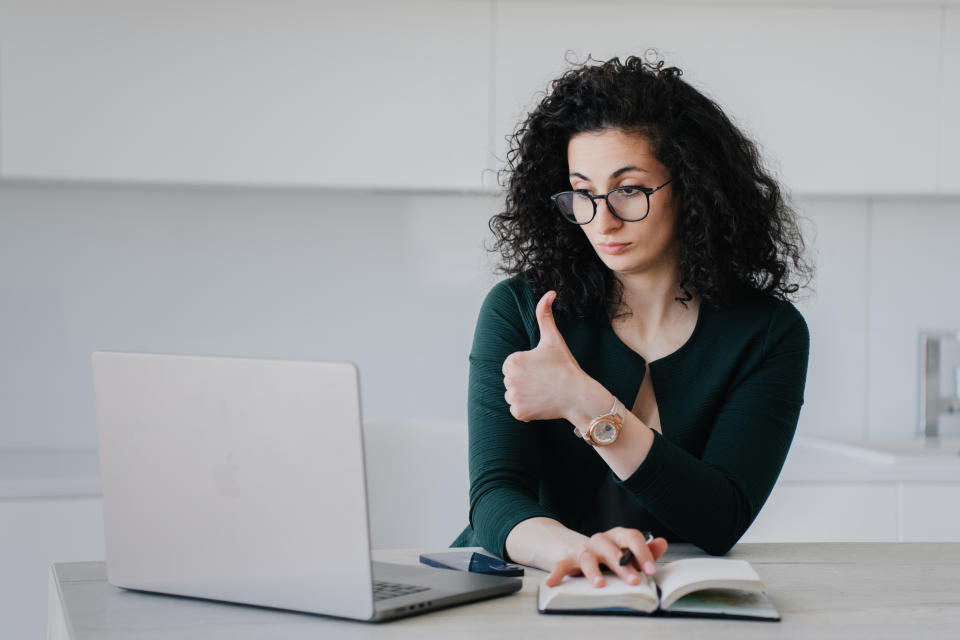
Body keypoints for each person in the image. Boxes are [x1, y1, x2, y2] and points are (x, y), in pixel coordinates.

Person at [451, 53, 812, 590]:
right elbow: (495, 498)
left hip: (666, 599)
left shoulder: (767, 332)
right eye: (584, 193)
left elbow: (720, 519)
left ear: (690, 188)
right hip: (521, 584)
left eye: (630, 189)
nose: (603, 218)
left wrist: (586, 403)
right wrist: (579, 552)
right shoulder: (520, 309)